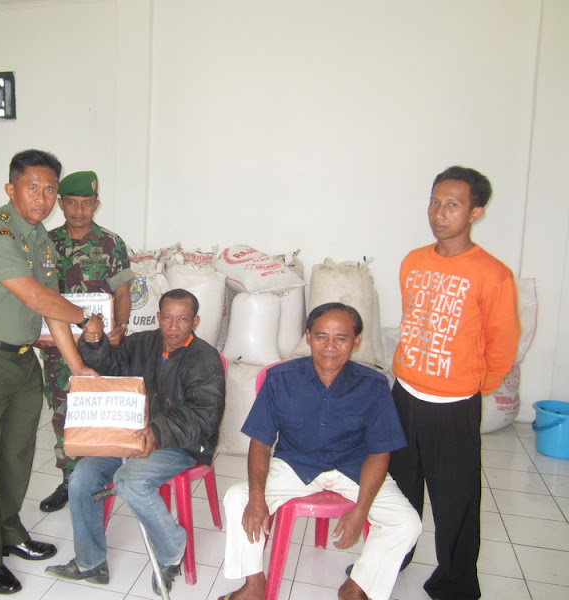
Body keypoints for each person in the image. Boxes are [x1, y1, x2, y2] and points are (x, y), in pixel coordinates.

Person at [0, 149, 103, 595]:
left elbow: (51, 312)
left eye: (50, 190)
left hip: (21, 359)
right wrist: (84, 317)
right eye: (33, 188)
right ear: (11, 189)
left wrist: (79, 367)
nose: (43, 198)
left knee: (15, 454)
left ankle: (8, 531)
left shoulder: (41, 241)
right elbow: (35, 297)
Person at [218, 303, 422, 600]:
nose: (330, 347)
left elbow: (380, 453)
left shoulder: (374, 386)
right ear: (308, 337)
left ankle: (358, 585)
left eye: (341, 338)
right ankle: (253, 584)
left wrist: (361, 510)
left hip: (355, 467)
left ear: (356, 341)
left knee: (408, 523)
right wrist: (257, 496)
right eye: (321, 336)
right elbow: (260, 442)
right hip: (296, 463)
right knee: (238, 498)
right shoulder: (281, 379)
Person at [388, 166, 520, 600]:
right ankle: (392, 556)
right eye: (434, 202)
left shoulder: (493, 274)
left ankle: (455, 582)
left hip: (453, 405)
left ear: (475, 213)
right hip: (404, 395)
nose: (439, 213)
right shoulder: (413, 261)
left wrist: (471, 384)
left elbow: (503, 344)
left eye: (452, 205)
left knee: (455, 499)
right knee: (397, 487)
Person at [45, 288, 226, 594]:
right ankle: (91, 563)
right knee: (81, 477)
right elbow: (110, 366)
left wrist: (157, 432)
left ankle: (172, 550)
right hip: (130, 434)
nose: (173, 326)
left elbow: (204, 417)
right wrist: (95, 342)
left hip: (179, 444)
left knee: (129, 480)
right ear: (157, 317)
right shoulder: (143, 342)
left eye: (182, 319)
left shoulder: (204, 358)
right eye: (167, 318)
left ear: (195, 321)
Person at [37, 170, 134, 513]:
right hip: (59, 348)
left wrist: (121, 326)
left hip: (101, 348)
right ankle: (69, 480)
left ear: (97, 204)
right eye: (72, 203)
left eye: (87, 203)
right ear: (61, 204)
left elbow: (122, 292)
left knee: (104, 410)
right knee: (64, 412)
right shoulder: (45, 243)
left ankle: (104, 475)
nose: (79, 211)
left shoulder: (111, 243)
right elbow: (39, 297)